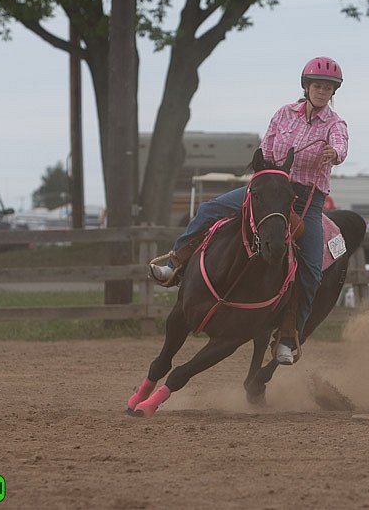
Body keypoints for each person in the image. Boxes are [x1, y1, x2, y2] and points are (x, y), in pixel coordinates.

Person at [149, 56, 349, 365]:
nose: (322, 92)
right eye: (318, 86)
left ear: (333, 92)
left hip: (306, 199)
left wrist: (334, 153)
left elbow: (342, 146)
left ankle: (287, 334)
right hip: (270, 190)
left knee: (310, 268)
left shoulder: (335, 125)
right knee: (209, 210)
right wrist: (264, 178)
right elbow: (266, 149)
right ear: (306, 87)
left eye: (328, 88)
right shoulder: (283, 115)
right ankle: (175, 263)